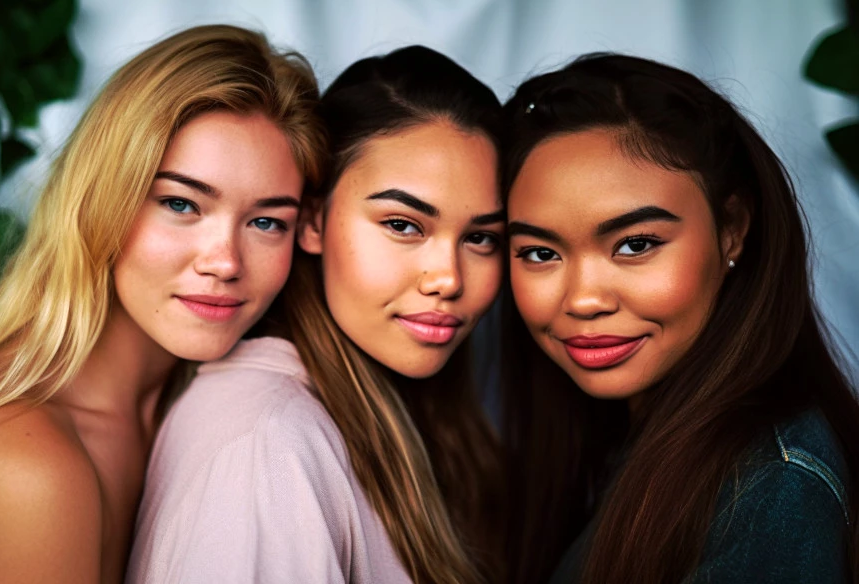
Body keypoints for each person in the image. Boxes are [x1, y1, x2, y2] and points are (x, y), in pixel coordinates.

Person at [0, 25, 325, 584]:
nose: (225, 262)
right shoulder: (25, 460)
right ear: (101, 197)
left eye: (266, 221)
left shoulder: (221, 408)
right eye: (181, 203)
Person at [128, 45, 505, 584]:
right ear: (312, 221)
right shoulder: (266, 447)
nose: (447, 278)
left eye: (481, 237)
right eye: (402, 224)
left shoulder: (360, 417)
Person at [501, 53, 859, 584]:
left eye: (636, 244)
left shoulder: (771, 487)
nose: (583, 300)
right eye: (539, 253)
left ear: (732, 229)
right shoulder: (626, 438)